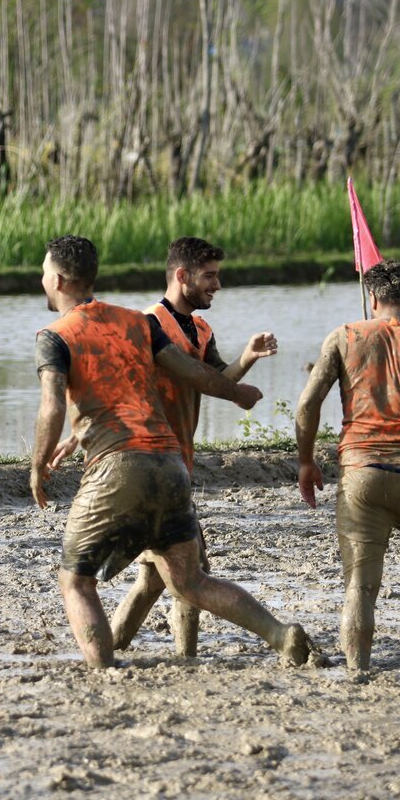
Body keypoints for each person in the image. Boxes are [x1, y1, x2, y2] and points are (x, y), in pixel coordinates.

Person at [33, 234, 309, 668]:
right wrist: (236, 394)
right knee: (185, 579)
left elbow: (54, 404)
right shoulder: (142, 321)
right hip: (170, 462)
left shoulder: (57, 335)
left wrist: (36, 466)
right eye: (211, 276)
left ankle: (105, 668)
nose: (41, 278)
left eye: (45, 272)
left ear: (60, 279)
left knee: (77, 580)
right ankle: (279, 633)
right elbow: (190, 376)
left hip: (122, 466)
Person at [107, 237, 278, 656]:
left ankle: (107, 651)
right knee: (193, 570)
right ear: (181, 276)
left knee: (155, 578)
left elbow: (216, 376)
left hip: (177, 462)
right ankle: (184, 657)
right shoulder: (147, 324)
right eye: (210, 276)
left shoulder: (201, 329)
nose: (217, 285)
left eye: (217, 275)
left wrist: (248, 357)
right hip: (149, 462)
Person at [296, 260, 400, 671]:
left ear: (372, 299)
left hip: (363, 474)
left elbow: (306, 405)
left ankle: (358, 669)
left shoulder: (343, 337)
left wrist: (306, 462)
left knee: (360, 583)